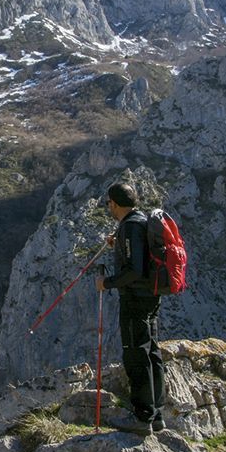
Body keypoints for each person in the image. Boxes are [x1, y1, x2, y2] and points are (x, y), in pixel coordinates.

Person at [96, 182, 166, 432]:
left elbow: (134, 270)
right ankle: (156, 414)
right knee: (152, 352)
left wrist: (107, 283)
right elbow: (140, 258)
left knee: (136, 354)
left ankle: (142, 417)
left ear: (114, 203)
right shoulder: (142, 221)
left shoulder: (129, 227)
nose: (108, 208)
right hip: (151, 296)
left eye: (108, 204)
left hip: (135, 298)